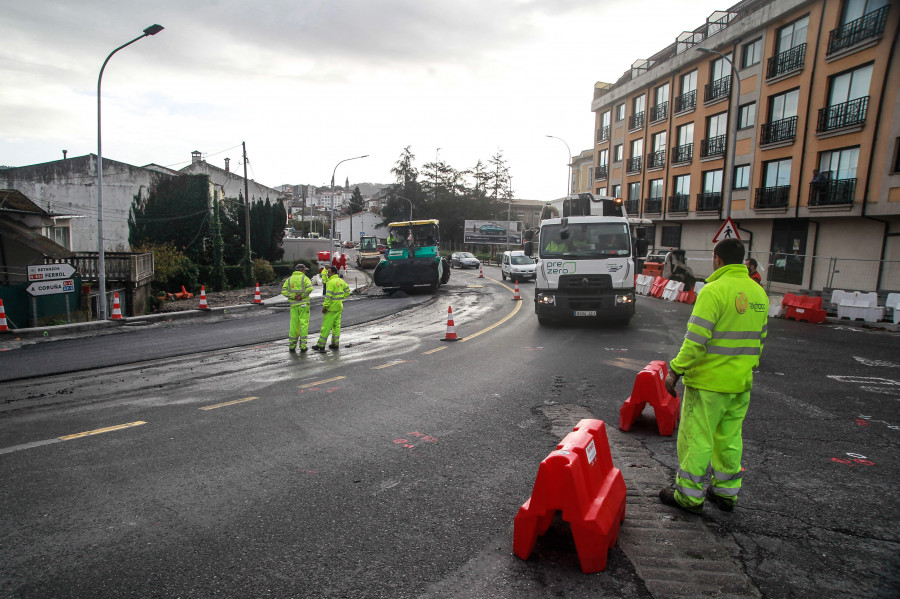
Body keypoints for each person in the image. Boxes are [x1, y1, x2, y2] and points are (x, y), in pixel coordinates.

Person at [659, 238, 769, 514]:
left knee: (697, 437)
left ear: (717, 258)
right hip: (740, 382)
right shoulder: (758, 293)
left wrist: (675, 370)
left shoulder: (713, 291)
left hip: (708, 383)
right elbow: (760, 339)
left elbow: (696, 340)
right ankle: (725, 493)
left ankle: (688, 496)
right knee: (729, 438)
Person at [313, 266, 351, 351]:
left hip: (331, 308)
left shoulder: (330, 282)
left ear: (333, 272)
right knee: (336, 326)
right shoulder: (341, 281)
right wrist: (341, 297)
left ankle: (321, 345)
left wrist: (325, 307)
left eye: (329, 272)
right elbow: (348, 291)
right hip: (338, 307)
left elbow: (328, 297)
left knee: (326, 327)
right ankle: (335, 343)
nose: (328, 274)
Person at [281, 263, 314, 352]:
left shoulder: (289, 280)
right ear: (302, 270)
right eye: (305, 270)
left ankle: (292, 346)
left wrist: (293, 296)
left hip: (294, 306)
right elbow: (310, 288)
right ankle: (303, 346)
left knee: (294, 325)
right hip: (303, 305)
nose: (305, 271)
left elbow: (284, 291)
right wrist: (302, 296)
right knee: (304, 325)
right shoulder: (305, 278)